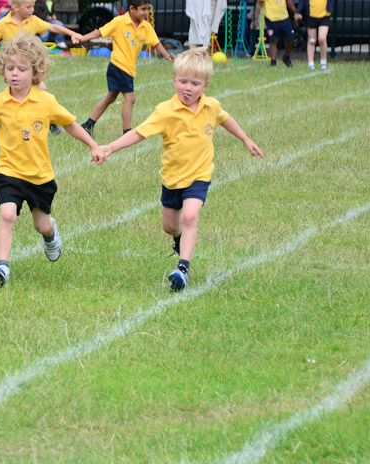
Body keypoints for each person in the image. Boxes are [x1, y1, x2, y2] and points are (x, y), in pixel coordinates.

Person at [95, 49, 264, 291]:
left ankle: (183, 268)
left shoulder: (211, 106)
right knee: (170, 226)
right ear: (174, 80)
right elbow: (139, 133)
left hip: (200, 175)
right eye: (183, 81)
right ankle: (179, 241)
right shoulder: (165, 111)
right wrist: (110, 147)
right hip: (172, 178)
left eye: (195, 84)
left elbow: (226, 119)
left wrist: (245, 139)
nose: (188, 88)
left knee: (190, 217)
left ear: (205, 85)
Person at [0, 34, 104, 287]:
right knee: (7, 215)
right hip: (9, 171)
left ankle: (50, 233)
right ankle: (1, 267)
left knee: (41, 224)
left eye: (22, 69)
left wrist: (93, 145)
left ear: (35, 73)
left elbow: (69, 125)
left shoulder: (46, 102)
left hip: (40, 176)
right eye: (10, 68)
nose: (15, 74)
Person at [79, 0, 175, 136]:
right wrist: (83, 38)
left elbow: (156, 43)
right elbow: (100, 32)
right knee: (130, 99)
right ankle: (127, 132)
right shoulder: (119, 22)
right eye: (143, 9)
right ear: (132, 9)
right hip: (119, 66)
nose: (146, 12)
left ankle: (89, 124)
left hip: (128, 68)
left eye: (147, 9)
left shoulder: (145, 27)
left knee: (111, 97)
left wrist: (167, 55)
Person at [0, 0, 79, 56]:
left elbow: (53, 27)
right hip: (10, 59)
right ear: (16, 7)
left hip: (28, 59)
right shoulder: (4, 22)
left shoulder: (33, 20)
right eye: (28, 7)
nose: (32, 10)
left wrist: (72, 33)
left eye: (33, 6)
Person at [295, 0, 340, 71]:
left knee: (321, 39)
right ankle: (310, 62)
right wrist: (298, 12)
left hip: (324, 16)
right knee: (312, 40)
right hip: (312, 16)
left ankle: (323, 60)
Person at [256, 0, 297, 66]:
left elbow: (289, 0)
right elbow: (259, 3)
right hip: (271, 18)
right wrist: (256, 18)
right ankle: (273, 61)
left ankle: (286, 57)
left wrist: (296, 12)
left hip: (284, 17)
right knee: (274, 40)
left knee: (290, 37)